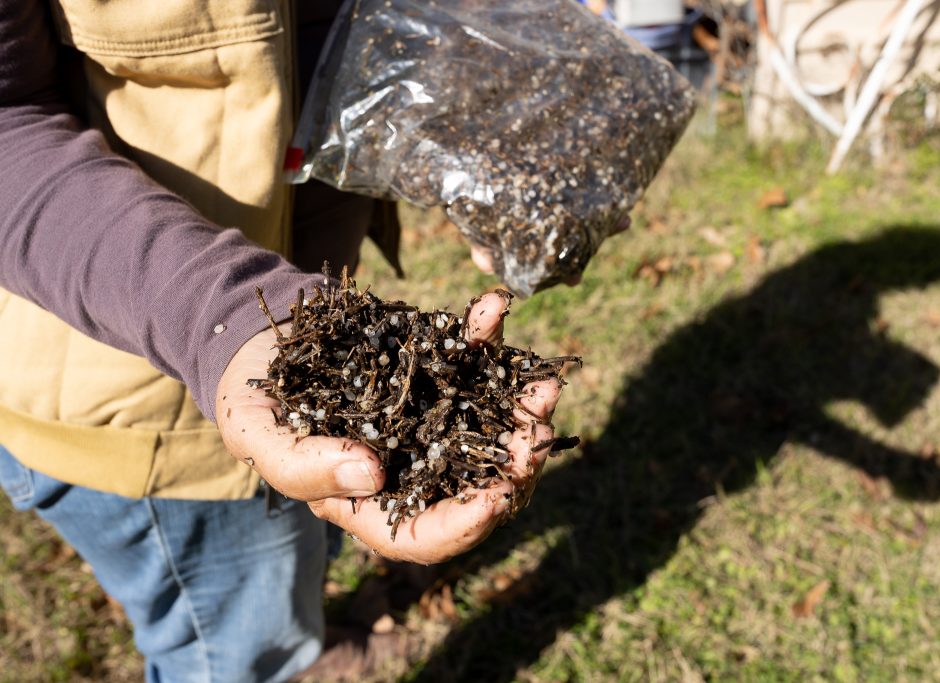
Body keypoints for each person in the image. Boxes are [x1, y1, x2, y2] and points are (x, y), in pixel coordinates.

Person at [0, 1, 562, 681]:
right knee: (231, 644)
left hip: (297, 322)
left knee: (298, 552)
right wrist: (228, 319)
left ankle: (302, 642)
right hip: (142, 401)